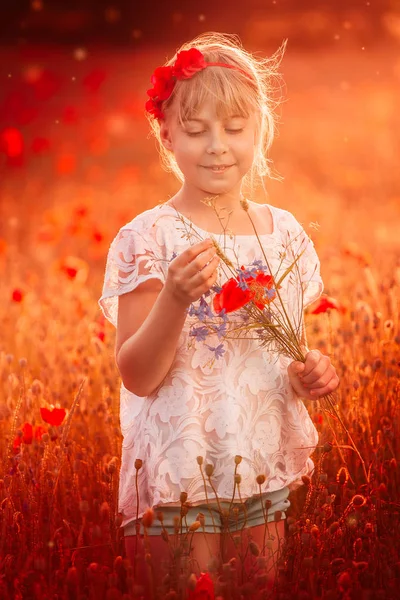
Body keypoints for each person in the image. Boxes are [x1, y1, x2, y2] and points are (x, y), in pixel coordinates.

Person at [99, 32, 340, 594]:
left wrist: (313, 373)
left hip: (259, 468)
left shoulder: (283, 235)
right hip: (177, 472)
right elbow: (136, 375)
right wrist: (175, 299)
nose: (217, 146)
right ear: (166, 134)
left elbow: (285, 356)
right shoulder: (148, 237)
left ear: (260, 133)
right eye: (196, 129)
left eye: (234, 129)